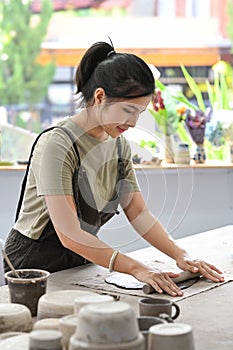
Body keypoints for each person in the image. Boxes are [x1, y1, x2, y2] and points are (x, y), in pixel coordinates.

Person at [4, 41, 224, 296]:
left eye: (139, 113)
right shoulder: (58, 144)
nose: (133, 122)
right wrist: (138, 269)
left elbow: (139, 213)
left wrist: (181, 255)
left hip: (78, 259)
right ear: (100, 97)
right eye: (128, 110)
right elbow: (69, 233)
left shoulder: (118, 146)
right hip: (31, 266)